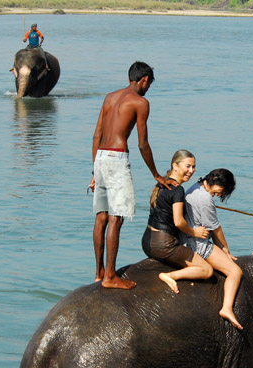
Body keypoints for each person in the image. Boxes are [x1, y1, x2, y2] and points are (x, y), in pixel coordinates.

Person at [90, 61, 172, 289]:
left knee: (101, 217)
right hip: (117, 159)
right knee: (116, 218)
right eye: (149, 84)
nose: (148, 88)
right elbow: (143, 144)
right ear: (144, 79)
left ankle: (98, 273)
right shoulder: (140, 102)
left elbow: (97, 134)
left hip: (101, 157)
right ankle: (110, 277)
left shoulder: (109, 97)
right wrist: (156, 174)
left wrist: (94, 171)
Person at [142, 151, 243, 330]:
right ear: (175, 165)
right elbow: (207, 227)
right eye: (187, 166)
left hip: (149, 239)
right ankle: (227, 308)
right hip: (177, 241)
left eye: (193, 166)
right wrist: (223, 248)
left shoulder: (178, 186)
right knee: (234, 271)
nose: (191, 170)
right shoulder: (183, 191)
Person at [181, 168, 243, 330]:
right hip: (196, 243)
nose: (220, 194)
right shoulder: (205, 199)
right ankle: (227, 308)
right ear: (215, 179)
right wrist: (226, 250)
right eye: (221, 190)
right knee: (235, 272)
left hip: (186, 238)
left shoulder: (196, 187)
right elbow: (216, 229)